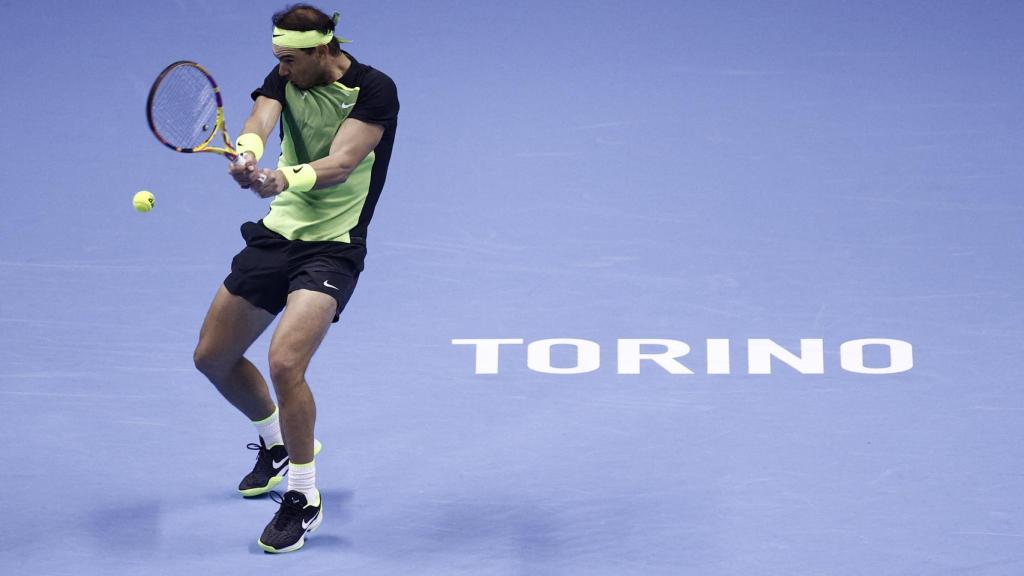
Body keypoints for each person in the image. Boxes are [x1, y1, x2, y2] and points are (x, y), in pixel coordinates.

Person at [191, 3, 398, 553]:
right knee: (212, 357)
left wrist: (282, 176)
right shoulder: (282, 76)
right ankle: (275, 441)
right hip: (277, 235)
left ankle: (303, 495)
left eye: (290, 60)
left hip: (333, 246)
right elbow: (260, 119)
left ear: (322, 51)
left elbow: (341, 164)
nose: (281, 70)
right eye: (276, 60)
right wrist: (249, 154)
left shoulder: (374, 89)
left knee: (285, 362)